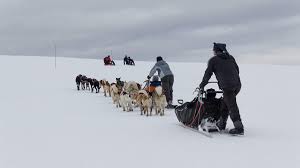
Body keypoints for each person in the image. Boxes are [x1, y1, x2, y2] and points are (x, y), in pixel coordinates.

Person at [198, 42, 244, 135]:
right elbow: (237, 70)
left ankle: (239, 128)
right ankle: (221, 124)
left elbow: (207, 74)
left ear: (216, 50)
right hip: (237, 85)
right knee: (225, 103)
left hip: (227, 86)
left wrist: (202, 85)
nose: (213, 51)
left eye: (213, 50)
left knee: (232, 106)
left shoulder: (213, 60)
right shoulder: (231, 58)